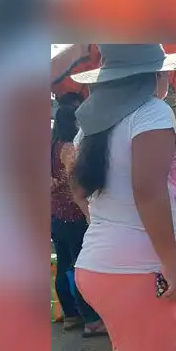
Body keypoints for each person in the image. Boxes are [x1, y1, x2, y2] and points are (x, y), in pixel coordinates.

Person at [70, 44, 176, 351]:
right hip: (137, 272)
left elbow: (82, 190)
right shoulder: (152, 113)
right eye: (164, 73)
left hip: (98, 266)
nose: (167, 80)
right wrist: (169, 265)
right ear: (151, 77)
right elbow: (147, 191)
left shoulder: (92, 126)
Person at [51, 103, 107, 337]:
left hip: (54, 214)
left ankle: (71, 315)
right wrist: (88, 213)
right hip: (73, 214)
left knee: (65, 265)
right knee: (80, 268)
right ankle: (91, 320)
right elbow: (78, 185)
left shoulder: (49, 146)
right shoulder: (68, 149)